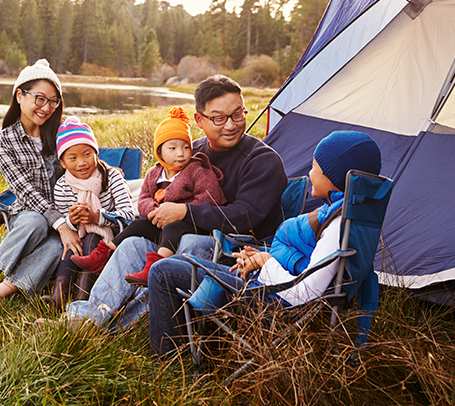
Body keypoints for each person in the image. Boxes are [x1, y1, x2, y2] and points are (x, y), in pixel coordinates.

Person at [62, 74, 287, 331]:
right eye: (219, 118)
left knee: (187, 245)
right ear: (199, 120)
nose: (231, 125)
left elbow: (245, 216)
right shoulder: (189, 151)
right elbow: (159, 187)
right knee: (135, 242)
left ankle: (121, 327)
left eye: (238, 114)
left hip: (235, 248)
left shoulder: (262, 161)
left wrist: (184, 212)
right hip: (177, 234)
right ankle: (89, 318)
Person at [147, 130, 383, 358]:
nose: (310, 174)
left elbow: (306, 293)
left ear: (334, 178)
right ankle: (198, 351)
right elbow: (311, 266)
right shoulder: (351, 216)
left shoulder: (336, 226)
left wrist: (266, 262)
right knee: (179, 261)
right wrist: (261, 255)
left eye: (314, 167)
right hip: (272, 287)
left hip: (272, 301)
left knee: (162, 271)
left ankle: (168, 363)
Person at [0, 59, 81, 327]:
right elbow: (26, 191)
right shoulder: (4, 142)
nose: (46, 108)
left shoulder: (64, 129)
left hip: (65, 215)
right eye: (40, 99)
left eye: (53, 101)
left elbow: (85, 165)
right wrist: (58, 222)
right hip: (27, 214)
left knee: (59, 246)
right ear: (20, 95)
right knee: (35, 220)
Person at [71, 106, 226, 287]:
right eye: (173, 148)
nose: (180, 153)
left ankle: (155, 267)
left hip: (190, 223)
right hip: (160, 221)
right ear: (160, 152)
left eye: (186, 147)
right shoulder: (155, 173)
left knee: (173, 228)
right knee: (137, 225)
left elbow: (211, 198)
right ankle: (102, 255)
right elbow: (143, 198)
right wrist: (153, 209)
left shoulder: (197, 170)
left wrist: (180, 210)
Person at [43, 117, 134, 310]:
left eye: (87, 154)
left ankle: (82, 298)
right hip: (78, 235)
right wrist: (72, 220)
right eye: (73, 158)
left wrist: (97, 217)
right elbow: (63, 225)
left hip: (112, 238)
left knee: (93, 237)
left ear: (95, 153)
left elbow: (128, 217)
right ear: (63, 163)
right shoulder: (62, 186)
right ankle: (58, 297)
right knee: (72, 245)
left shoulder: (112, 177)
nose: (82, 162)